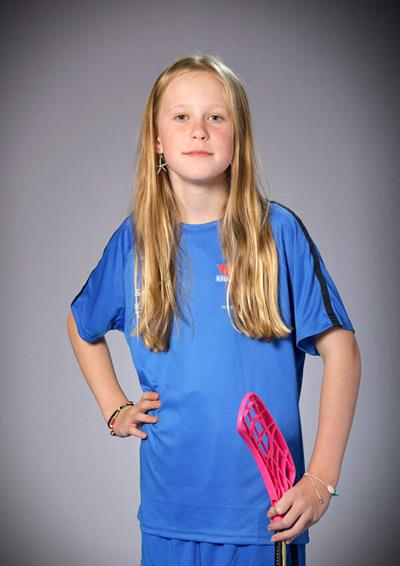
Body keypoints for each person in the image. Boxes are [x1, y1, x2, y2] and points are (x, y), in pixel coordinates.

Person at [67, 53, 361, 566]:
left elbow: (343, 352)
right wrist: (115, 408)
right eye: (181, 116)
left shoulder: (277, 234)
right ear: (157, 140)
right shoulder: (135, 241)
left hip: (264, 520)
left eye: (216, 116)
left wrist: (321, 479)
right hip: (168, 516)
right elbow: (81, 323)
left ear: (238, 137)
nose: (199, 129)